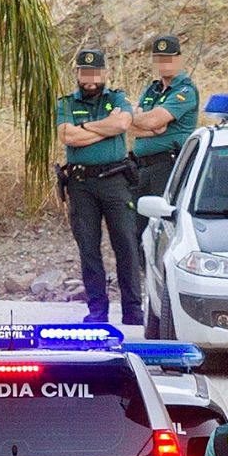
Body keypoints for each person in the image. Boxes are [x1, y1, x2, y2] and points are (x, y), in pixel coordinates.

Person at [56, 48, 143, 325]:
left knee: (126, 244)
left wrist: (85, 127)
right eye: (84, 73)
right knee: (89, 247)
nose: (90, 79)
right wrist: (102, 128)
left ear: (104, 73)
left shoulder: (117, 97)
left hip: (115, 180)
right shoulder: (67, 102)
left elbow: (122, 123)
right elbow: (67, 136)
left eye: (95, 73)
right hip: (81, 184)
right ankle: (97, 310)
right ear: (77, 74)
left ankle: (132, 309)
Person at [129, 34, 199, 241]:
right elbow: (130, 127)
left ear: (178, 58)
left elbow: (151, 120)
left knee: (161, 227)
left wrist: (140, 119)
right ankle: (141, 272)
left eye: (168, 58)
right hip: (142, 167)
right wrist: (149, 125)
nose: (164, 63)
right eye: (159, 58)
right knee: (136, 227)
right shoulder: (152, 89)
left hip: (167, 165)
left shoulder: (185, 90)